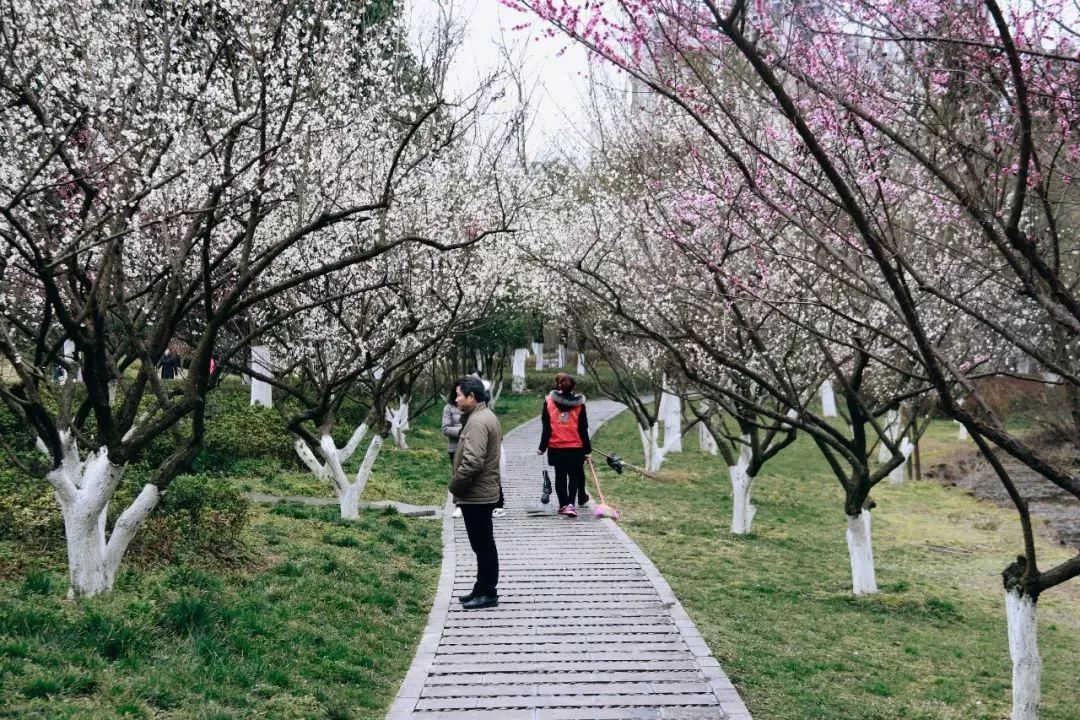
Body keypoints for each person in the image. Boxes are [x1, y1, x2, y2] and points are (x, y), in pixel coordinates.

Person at [449, 376, 502, 609]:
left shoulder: (478, 422)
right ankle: (481, 587)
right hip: (481, 492)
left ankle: (488, 592)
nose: (456, 399)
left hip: (477, 494)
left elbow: (472, 461)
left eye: (459, 395)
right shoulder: (480, 416)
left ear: (472, 397)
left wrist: (455, 485)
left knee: (483, 545)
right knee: (482, 545)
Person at [537, 373, 591, 517]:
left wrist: (542, 447)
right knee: (573, 476)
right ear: (574, 387)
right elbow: (583, 428)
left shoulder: (548, 401)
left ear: (559, 385)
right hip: (576, 448)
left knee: (560, 476)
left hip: (556, 447)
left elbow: (546, 427)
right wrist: (587, 449)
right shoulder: (580, 404)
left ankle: (562, 505)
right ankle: (571, 505)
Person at [442, 387, 465, 519]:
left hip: (472, 446)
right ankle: (458, 505)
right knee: (458, 476)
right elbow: (445, 428)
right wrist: (462, 431)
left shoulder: (471, 407)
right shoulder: (449, 408)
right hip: (455, 448)